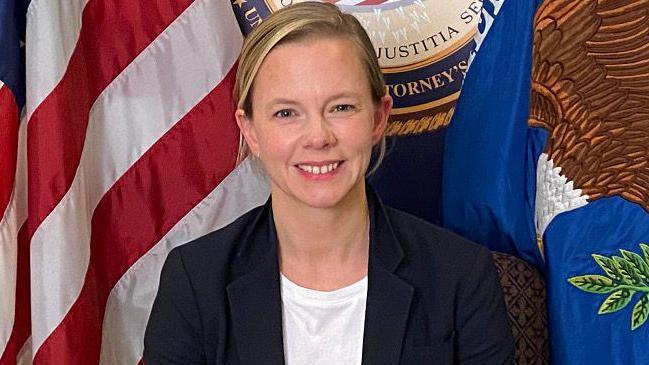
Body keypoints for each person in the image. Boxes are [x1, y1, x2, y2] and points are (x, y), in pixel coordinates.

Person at [143, 2, 514, 364]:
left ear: (378, 118)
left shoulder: (459, 274)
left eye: (341, 107)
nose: (317, 137)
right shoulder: (195, 279)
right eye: (286, 113)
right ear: (251, 131)